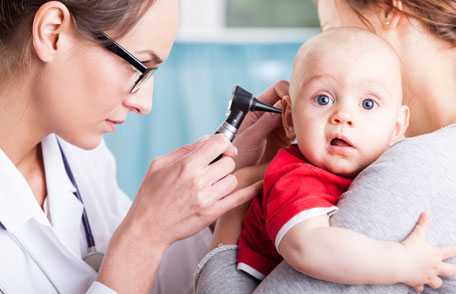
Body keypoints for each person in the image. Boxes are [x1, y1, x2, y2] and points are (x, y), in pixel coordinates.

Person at [0, 0, 287, 293]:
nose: (144, 104)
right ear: (53, 33)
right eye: (140, 66)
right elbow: (134, 253)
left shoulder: (82, 157)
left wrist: (220, 192)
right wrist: (144, 236)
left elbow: (148, 278)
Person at [194, 0, 456, 293]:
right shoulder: (299, 176)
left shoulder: (419, 164)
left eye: (368, 103)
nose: (343, 116)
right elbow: (308, 246)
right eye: (323, 99)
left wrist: (236, 206)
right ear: (290, 117)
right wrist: (402, 261)